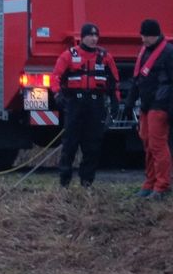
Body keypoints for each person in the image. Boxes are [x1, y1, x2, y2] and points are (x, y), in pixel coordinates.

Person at [50, 22, 121, 188]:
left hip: (96, 105)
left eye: (96, 36)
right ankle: (65, 181)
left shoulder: (105, 57)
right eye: (90, 35)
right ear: (83, 37)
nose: (94, 39)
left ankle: (87, 182)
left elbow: (114, 81)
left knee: (93, 145)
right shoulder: (69, 55)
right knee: (70, 144)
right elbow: (55, 77)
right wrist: (57, 94)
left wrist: (116, 100)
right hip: (75, 104)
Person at [125, 18, 173, 199]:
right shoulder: (145, 51)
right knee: (147, 142)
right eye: (142, 35)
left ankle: (162, 186)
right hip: (146, 104)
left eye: (146, 36)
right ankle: (150, 183)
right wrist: (131, 100)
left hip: (160, 104)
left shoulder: (168, 53)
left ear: (155, 36)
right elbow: (138, 79)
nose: (143, 39)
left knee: (157, 145)